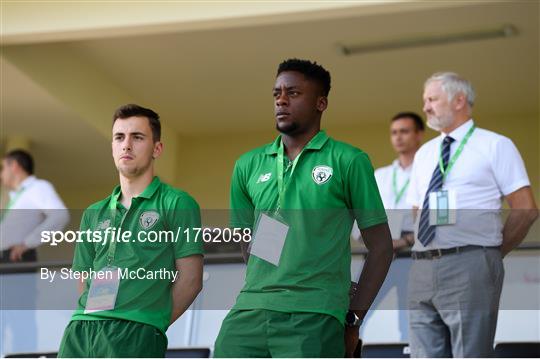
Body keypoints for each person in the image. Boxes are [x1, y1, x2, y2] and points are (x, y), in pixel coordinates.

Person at [214, 59, 393, 358]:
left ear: (320, 103)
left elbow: (382, 247)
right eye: (277, 94)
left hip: (316, 315)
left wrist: (353, 318)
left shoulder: (349, 160)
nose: (281, 100)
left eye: (293, 93)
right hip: (249, 310)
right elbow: (247, 242)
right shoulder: (247, 165)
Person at [407, 72, 538, 357]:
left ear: (459, 100)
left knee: (470, 353)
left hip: (470, 263)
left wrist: (491, 252)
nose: (426, 107)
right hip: (421, 265)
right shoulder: (425, 153)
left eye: (432, 99)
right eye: (424, 100)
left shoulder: (495, 145)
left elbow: (526, 208)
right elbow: (417, 209)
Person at [58, 104, 204, 357]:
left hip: (138, 331)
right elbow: (83, 278)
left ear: (157, 148)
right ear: (113, 147)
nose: (126, 145)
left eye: (137, 137)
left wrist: (151, 322)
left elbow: (191, 280)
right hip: (81, 330)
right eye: (119, 137)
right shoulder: (93, 212)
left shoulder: (177, 203)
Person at [359, 112, 424, 341]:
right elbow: (363, 215)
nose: (398, 137)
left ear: (419, 135)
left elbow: (438, 220)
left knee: (410, 321)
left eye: (404, 131)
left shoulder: (428, 173)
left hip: (414, 254)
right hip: (380, 251)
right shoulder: (381, 175)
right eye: (394, 132)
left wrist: (406, 240)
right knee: (356, 312)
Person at [0, 149, 69, 262]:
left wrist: (27, 244)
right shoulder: (16, 195)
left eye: (3, 168)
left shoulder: (38, 187)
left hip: (15, 258)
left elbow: (60, 214)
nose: (1, 174)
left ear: (14, 166)